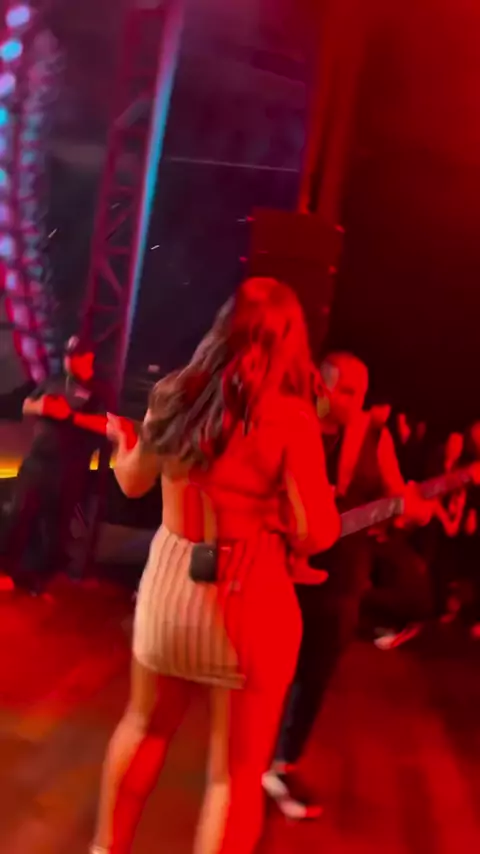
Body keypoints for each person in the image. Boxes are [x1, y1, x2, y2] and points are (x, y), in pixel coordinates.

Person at [90, 278, 340, 854]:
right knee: (234, 777)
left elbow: (132, 482)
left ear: (224, 325)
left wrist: (124, 443)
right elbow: (318, 532)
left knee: (143, 728)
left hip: (169, 586)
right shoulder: (290, 418)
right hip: (248, 596)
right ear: (291, 341)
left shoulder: (173, 394)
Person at [263, 352, 433, 819]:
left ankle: (283, 764)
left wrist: (411, 510)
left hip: (342, 577)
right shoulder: (290, 425)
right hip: (280, 567)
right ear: (321, 386)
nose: (357, 403)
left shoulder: (373, 437)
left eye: (362, 392)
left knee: (315, 677)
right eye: (348, 391)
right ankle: (245, 756)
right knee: (265, 669)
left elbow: (396, 494)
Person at [0, 336, 105, 595]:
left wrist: (70, 416)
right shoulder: (54, 380)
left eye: (75, 356)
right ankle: (7, 571)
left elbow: (105, 425)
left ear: (88, 358)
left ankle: (40, 579)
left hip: (68, 467)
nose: (69, 360)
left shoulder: (99, 389)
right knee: (19, 513)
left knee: (54, 525)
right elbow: (27, 404)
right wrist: (41, 406)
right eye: (67, 355)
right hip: (37, 460)